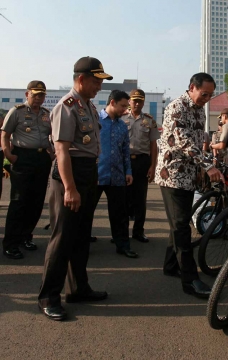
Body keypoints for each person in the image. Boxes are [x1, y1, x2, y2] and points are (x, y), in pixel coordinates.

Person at [38, 56, 113, 321]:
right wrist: (70, 189)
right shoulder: (66, 106)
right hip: (68, 177)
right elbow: (61, 151)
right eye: (96, 81)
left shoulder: (89, 107)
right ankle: (48, 296)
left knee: (81, 237)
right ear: (81, 79)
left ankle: (79, 288)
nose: (99, 87)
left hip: (87, 172)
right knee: (62, 238)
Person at [156, 72, 222, 298]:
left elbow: (200, 141)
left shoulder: (198, 109)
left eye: (210, 95)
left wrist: (204, 167)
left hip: (189, 175)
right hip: (172, 175)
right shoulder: (177, 107)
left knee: (179, 222)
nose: (206, 98)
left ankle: (170, 266)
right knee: (182, 226)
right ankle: (190, 280)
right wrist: (208, 165)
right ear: (192, 87)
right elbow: (182, 141)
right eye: (204, 94)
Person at [1, 81, 53, 259]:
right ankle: (11, 243)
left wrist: (52, 154)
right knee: (19, 201)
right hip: (22, 158)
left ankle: (26, 237)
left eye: (42, 95)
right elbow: (5, 135)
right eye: (35, 94)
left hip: (41, 159)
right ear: (27, 94)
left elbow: (52, 135)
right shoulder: (17, 111)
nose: (39, 98)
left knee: (36, 202)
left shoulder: (47, 114)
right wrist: (9, 155)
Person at [93, 90, 137, 258]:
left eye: (127, 106)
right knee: (86, 212)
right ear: (112, 102)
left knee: (120, 214)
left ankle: (123, 245)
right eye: (123, 106)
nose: (125, 110)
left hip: (117, 175)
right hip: (96, 174)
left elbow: (125, 150)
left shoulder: (122, 125)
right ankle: (81, 245)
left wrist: (128, 171)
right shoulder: (95, 120)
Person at [121, 89, 159, 243]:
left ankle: (138, 231)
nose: (137, 103)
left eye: (140, 100)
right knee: (122, 198)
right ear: (129, 101)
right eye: (134, 100)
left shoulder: (150, 121)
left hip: (142, 162)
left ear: (144, 102)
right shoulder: (121, 118)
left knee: (140, 198)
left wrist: (153, 166)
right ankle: (121, 233)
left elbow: (153, 146)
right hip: (124, 161)